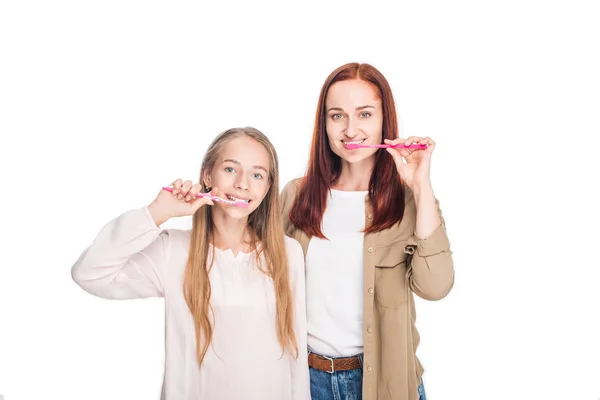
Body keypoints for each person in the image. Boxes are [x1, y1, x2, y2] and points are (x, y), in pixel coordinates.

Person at [71, 127, 310, 400]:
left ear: (267, 188)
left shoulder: (287, 253)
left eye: (257, 175)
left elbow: (296, 356)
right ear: (208, 174)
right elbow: (89, 272)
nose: (243, 183)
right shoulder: (173, 250)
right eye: (231, 169)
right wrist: (158, 212)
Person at [280, 63, 454, 400]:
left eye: (364, 114)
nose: (350, 130)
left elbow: (436, 287)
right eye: (337, 116)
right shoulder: (294, 196)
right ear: (324, 124)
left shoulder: (410, 201)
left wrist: (420, 185)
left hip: (386, 384)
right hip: (306, 381)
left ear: (383, 121)